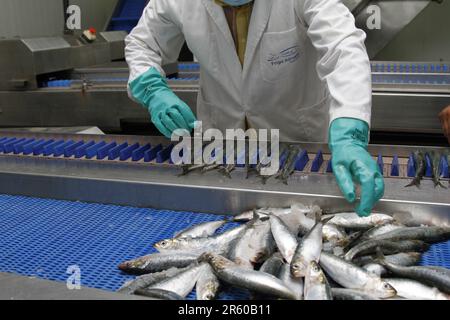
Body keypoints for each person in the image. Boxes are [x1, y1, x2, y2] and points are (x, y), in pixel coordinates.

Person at [124, 0, 384, 217]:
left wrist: (350, 131)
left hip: (296, 145)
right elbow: (142, 44)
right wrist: (153, 91)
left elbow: (343, 47)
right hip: (222, 147)